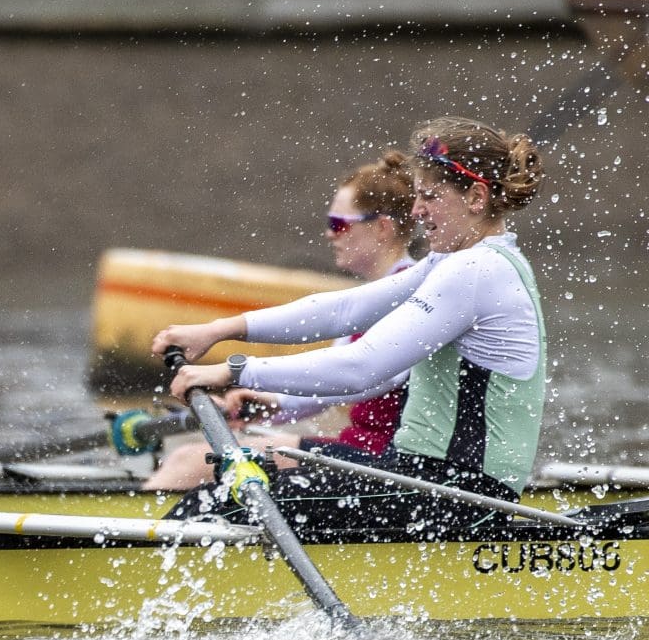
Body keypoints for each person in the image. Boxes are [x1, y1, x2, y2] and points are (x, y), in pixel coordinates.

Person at [152, 117, 546, 535]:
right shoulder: (457, 262)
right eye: (417, 196)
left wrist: (233, 370)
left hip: (458, 496)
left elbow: (363, 367)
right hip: (425, 479)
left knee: (218, 505)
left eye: (430, 196)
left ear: (476, 198)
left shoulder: (477, 270)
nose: (417, 210)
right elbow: (345, 310)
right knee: (230, 494)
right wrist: (218, 330)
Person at [139, 150, 422, 490]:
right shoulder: (373, 297)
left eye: (339, 223)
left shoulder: (413, 299)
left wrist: (237, 370)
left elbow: (358, 377)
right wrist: (273, 405)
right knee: (189, 460)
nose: (330, 234)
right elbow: (330, 384)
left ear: (382, 227)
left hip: (386, 464)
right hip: (362, 450)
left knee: (189, 462)